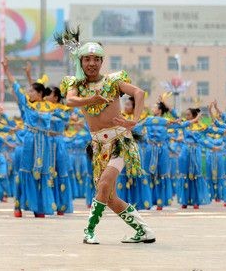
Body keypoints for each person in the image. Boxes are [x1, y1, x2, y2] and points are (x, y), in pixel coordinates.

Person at [55, 29, 155, 244]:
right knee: (109, 197)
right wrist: (91, 100)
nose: (91, 63)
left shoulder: (113, 81)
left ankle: (89, 231)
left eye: (96, 59)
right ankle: (143, 230)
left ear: (102, 61)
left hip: (120, 141)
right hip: (98, 145)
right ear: (80, 62)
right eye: (87, 59)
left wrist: (134, 120)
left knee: (103, 186)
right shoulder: (76, 85)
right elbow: (70, 101)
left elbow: (138, 93)